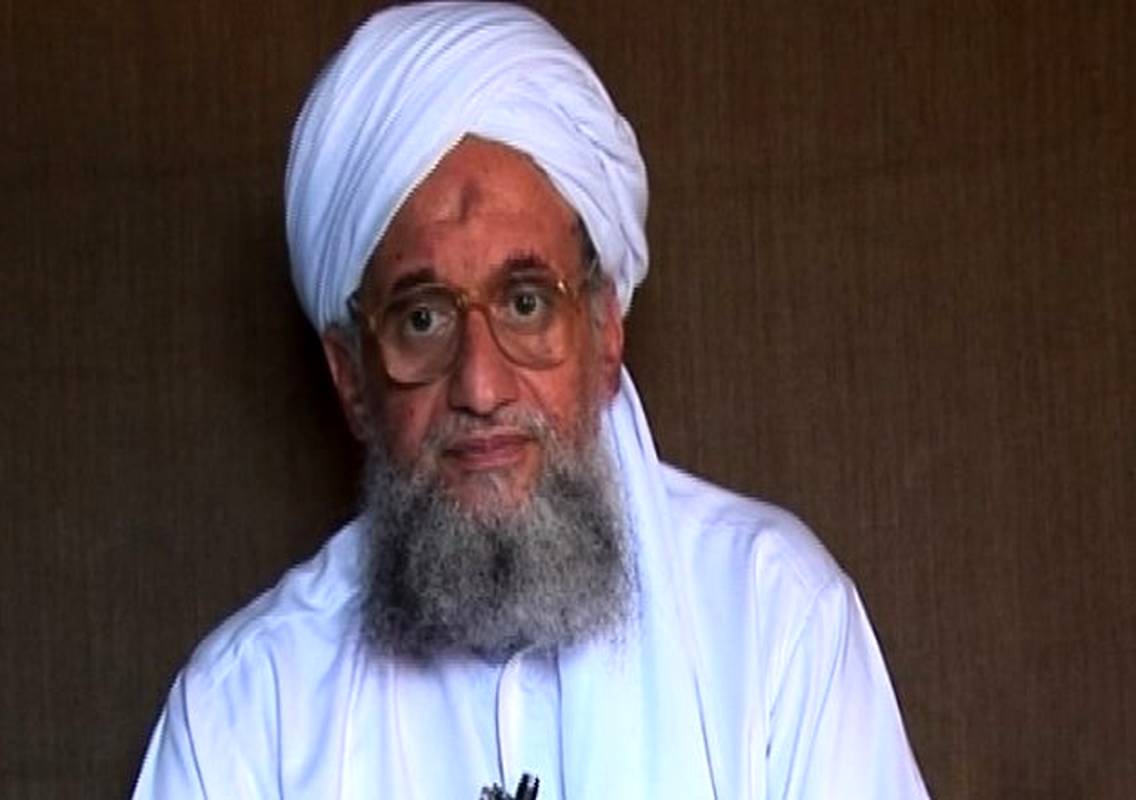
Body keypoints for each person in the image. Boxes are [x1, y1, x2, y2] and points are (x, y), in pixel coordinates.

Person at [133, 3, 930, 798]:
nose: (481, 386)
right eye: (422, 319)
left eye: (525, 303)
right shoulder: (245, 715)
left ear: (604, 329)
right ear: (351, 378)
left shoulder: (774, 620)